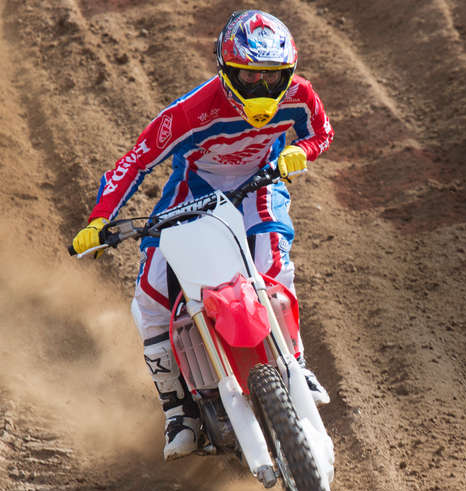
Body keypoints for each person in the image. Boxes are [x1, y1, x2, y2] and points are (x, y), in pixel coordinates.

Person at [69, 10, 333, 461]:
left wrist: (297, 151)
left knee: (274, 265)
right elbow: (135, 162)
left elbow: (321, 134)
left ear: (288, 73)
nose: (262, 89)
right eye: (248, 77)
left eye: (272, 78)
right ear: (225, 71)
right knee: (150, 298)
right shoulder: (191, 113)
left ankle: (297, 363)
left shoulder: (300, 95)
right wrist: (98, 221)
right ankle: (178, 410)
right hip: (193, 195)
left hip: (260, 184)